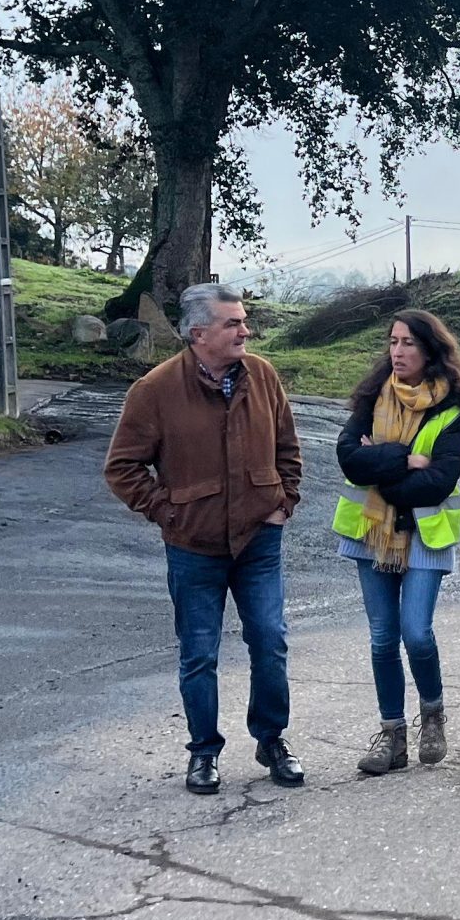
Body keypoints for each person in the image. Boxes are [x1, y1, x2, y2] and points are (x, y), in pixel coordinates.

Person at [103, 282, 305, 796]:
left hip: (260, 538)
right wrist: (168, 513)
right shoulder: (154, 390)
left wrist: (285, 501)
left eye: (243, 321)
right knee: (199, 653)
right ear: (199, 333)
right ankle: (203, 753)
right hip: (193, 546)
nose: (245, 331)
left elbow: (287, 446)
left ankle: (271, 741)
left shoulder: (263, 376)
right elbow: (122, 468)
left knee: (270, 640)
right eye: (232, 323)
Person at [333, 310, 460, 777]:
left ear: (430, 350)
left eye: (409, 343)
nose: (397, 351)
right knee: (381, 640)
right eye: (393, 341)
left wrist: (385, 470)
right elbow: (350, 459)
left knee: (415, 632)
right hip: (370, 535)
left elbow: (438, 481)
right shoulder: (371, 398)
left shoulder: (451, 411)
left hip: (425, 535)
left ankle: (432, 714)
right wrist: (402, 459)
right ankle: (391, 735)